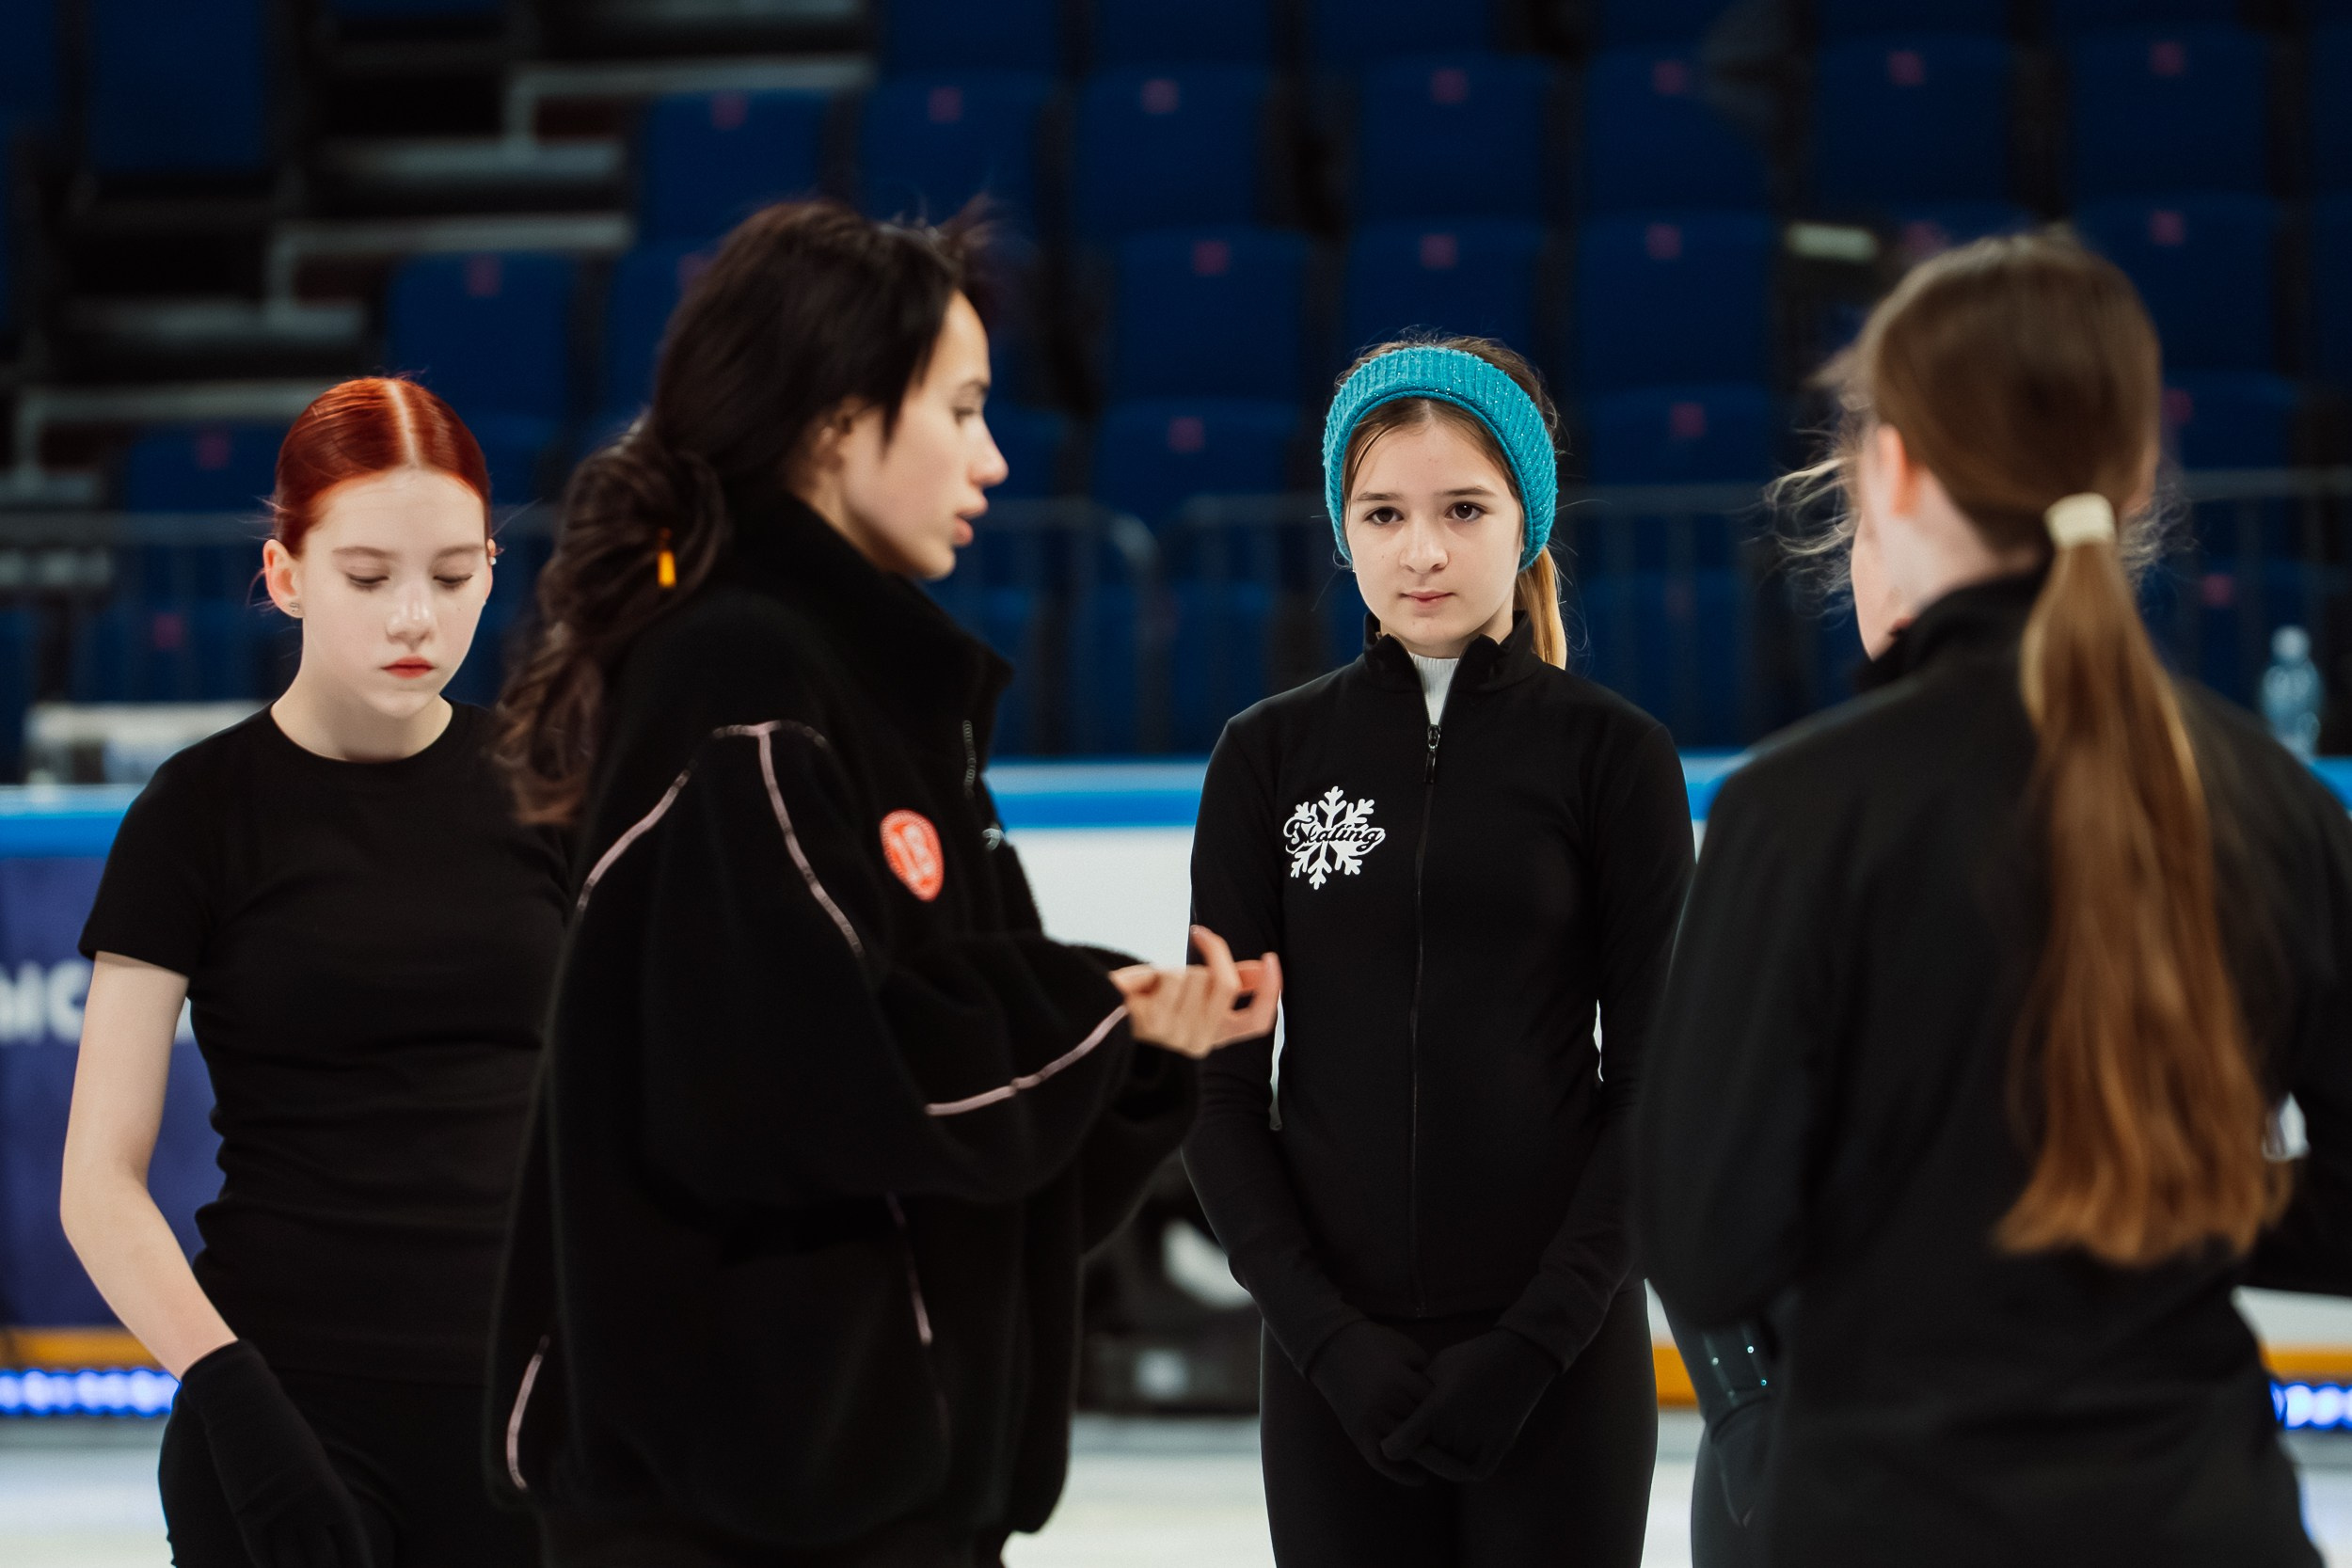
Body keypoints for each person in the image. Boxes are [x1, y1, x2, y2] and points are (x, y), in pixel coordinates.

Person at [485, 198, 1278, 1567]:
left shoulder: (884, 700)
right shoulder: (738, 681)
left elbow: (976, 1170)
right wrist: (1100, 1009)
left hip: (880, 1506)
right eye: (962, 409)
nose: (994, 457)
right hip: (736, 1517)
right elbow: (817, 1081)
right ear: (840, 422)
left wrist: (1140, 1054)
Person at [1634, 233, 2352, 1566]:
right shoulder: (2274, 801)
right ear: (2136, 471)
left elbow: (1704, 1233)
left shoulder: (1796, 813)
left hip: (1880, 1515)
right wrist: (2175, 1193)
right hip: (2202, 1516)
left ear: (1890, 469)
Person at [1184, 336, 1691, 1567]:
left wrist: (1537, 1340)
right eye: (1384, 512)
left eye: (1463, 508)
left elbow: (1664, 1089)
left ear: (1526, 519)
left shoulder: (1614, 757)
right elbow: (1216, 1089)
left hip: (1560, 1363)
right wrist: (1323, 1336)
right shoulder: (1267, 758)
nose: (1421, 550)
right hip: (1330, 1369)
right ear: (1342, 526)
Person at [59, 376, 565, 1568]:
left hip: (535, 1414)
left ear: (493, 568)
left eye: (451, 577)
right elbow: (96, 1178)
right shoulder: (197, 810)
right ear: (287, 575)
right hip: (284, 1408)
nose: (414, 620)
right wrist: (236, 1405)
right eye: (367, 575)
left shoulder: (556, 783)